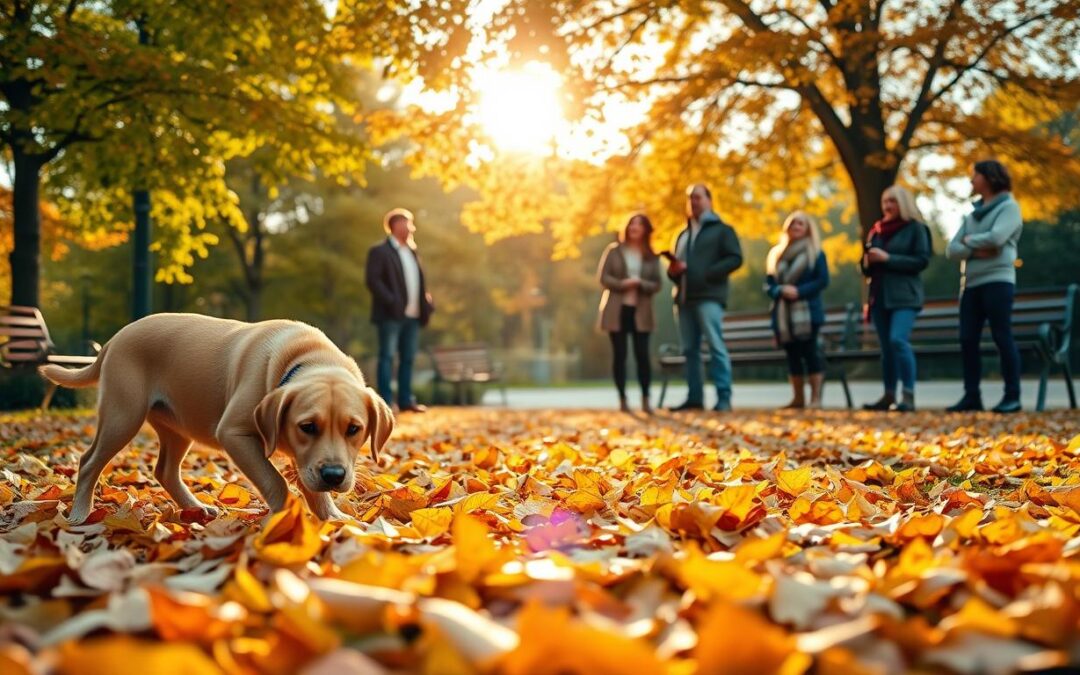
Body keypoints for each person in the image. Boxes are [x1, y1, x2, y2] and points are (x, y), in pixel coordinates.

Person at [945, 160, 1024, 413]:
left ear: (989, 177)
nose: (971, 181)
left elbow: (998, 237)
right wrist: (976, 247)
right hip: (971, 285)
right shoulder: (971, 215)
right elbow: (951, 249)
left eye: (975, 175)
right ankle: (972, 396)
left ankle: (1012, 396)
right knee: (968, 339)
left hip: (998, 281)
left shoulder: (1009, 207)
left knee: (1002, 336)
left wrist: (967, 244)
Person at [666, 184, 743, 411]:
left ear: (709, 200)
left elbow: (735, 258)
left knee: (716, 347)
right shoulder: (682, 234)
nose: (693, 202)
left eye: (698, 197)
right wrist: (673, 271)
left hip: (709, 297)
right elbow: (677, 270)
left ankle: (724, 397)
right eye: (690, 198)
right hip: (684, 299)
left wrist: (707, 273)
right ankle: (695, 398)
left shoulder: (723, 231)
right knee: (689, 350)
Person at [860, 185, 932, 412]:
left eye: (893, 201)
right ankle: (888, 395)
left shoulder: (916, 229)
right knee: (886, 348)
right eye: (885, 202)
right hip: (880, 297)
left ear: (903, 203)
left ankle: (908, 395)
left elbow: (921, 261)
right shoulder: (876, 231)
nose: (888, 206)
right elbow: (866, 268)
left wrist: (888, 258)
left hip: (904, 296)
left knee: (897, 340)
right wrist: (866, 262)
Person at [365, 208, 434, 413]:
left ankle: (405, 400)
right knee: (387, 357)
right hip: (390, 316)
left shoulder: (412, 251)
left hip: (413, 316)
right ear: (395, 225)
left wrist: (426, 303)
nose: (411, 227)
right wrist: (392, 301)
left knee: (408, 358)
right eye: (407, 223)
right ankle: (386, 401)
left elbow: (418, 282)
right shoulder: (380, 251)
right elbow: (373, 281)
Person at [597, 214, 663, 413]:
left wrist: (640, 283)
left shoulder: (651, 256)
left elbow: (658, 284)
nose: (634, 227)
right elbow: (603, 277)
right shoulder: (614, 251)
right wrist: (622, 284)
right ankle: (623, 399)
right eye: (632, 223)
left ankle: (645, 399)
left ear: (645, 230)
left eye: (639, 224)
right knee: (620, 355)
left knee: (642, 355)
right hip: (616, 310)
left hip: (641, 311)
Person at [764, 211, 830, 408]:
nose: (796, 227)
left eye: (801, 224)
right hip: (784, 314)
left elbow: (822, 280)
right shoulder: (776, 254)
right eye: (793, 223)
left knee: (810, 353)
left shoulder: (815, 253)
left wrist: (799, 291)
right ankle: (798, 398)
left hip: (808, 312)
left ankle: (816, 398)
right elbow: (768, 284)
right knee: (792, 355)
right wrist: (779, 290)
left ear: (808, 228)